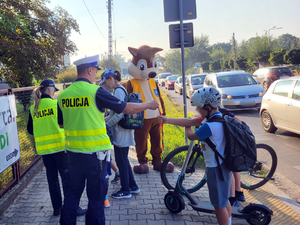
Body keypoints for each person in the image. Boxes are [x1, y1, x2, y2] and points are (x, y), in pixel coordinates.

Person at [58, 55, 159, 225]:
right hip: (95, 158)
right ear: (89, 70)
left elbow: (62, 124)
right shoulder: (96, 91)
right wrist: (148, 105)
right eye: (95, 71)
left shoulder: (63, 95)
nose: (96, 76)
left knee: (71, 197)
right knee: (96, 199)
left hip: (73, 156)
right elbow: (126, 108)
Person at [159, 87, 232, 225]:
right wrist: (167, 120)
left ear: (208, 107)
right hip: (224, 166)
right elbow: (190, 121)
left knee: (218, 205)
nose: (198, 111)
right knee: (224, 200)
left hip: (215, 169)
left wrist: (189, 124)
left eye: (199, 108)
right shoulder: (218, 117)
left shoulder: (209, 126)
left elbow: (190, 134)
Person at [26, 79, 87, 217]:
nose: (54, 93)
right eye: (54, 91)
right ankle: (73, 208)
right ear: (50, 90)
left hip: (45, 150)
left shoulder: (33, 108)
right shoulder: (56, 104)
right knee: (68, 179)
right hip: (60, 148)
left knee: (52, 179)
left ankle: (57, 208)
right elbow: (66, 123)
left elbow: (30, 129)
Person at [101, 69, 140, 199]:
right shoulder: (120, 90)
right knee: (124, 161)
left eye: (105, 82)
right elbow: (114, 113)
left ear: (111, 78)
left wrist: (108, 124)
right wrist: (104, 120)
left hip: (121, 132)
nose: (105, 85)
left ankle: (125, 190)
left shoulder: (118, 91)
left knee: (121, 161)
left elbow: (120, 112)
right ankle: (133, 186)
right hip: (124, 131)